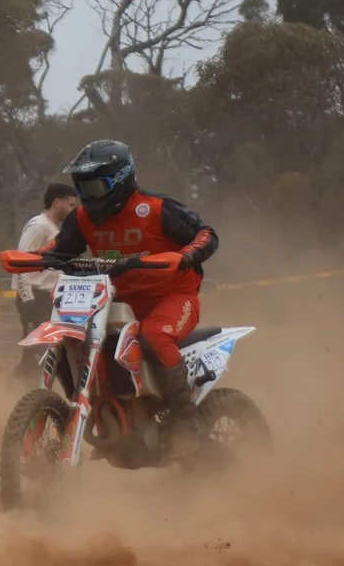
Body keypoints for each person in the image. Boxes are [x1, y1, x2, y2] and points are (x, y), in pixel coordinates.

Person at [20, 140, 219, 437]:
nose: (88, 197)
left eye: (94, 188)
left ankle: (187, 423)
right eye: (82, 189)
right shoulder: (83, 218)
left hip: (173, 296)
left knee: (154, 335)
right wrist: (34, 258)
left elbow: (205, 234)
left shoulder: (156, 209)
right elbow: (61, 247)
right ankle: (91, 407)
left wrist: (186, 255)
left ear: (121, 179)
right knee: (73, 336)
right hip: (118, 300)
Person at [14, 183, 78, 337]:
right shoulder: (38, 226)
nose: (73, 210)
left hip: (49, 298)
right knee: (37, 347)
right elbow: (21, 261)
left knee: (49, 346)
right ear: (56, 203)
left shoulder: (53, 228)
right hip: (36, 296)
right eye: (71, 205)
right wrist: (28, 300)